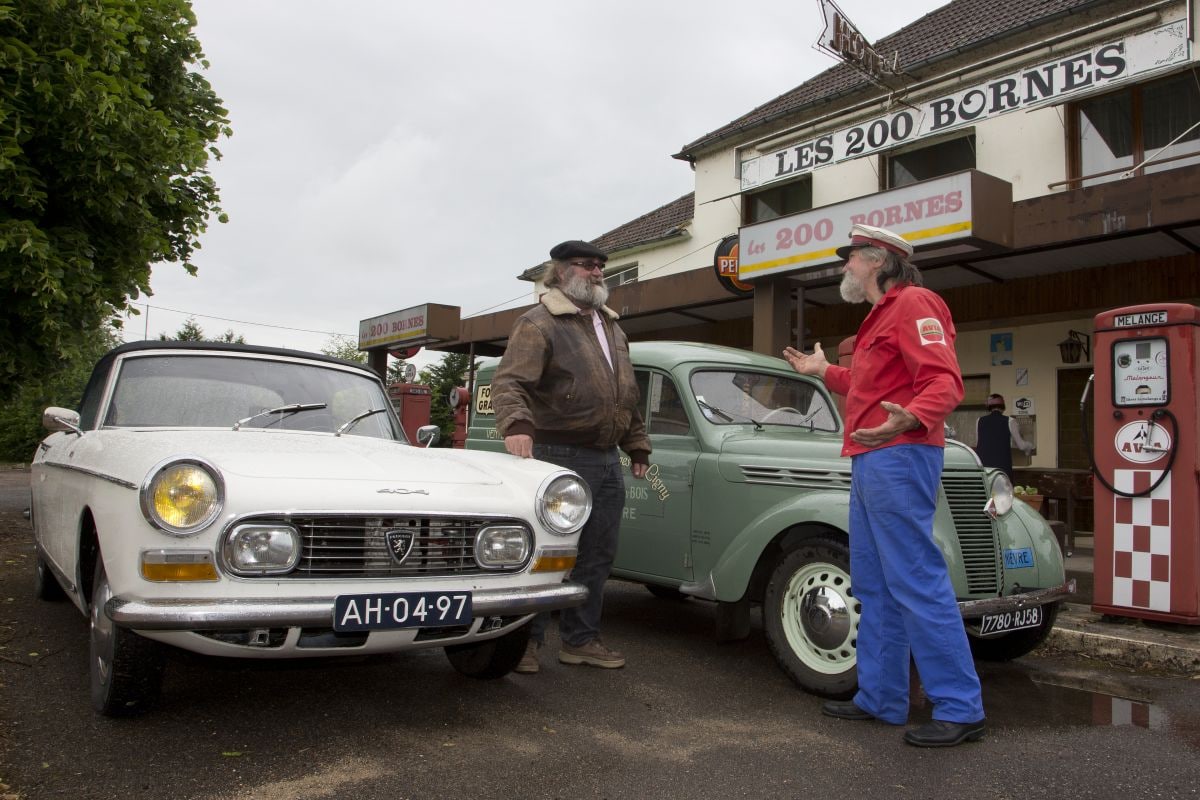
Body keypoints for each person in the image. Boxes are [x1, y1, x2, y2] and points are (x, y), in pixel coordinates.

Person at [782, 223, 986, 748]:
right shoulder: (878, 316)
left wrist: (910, 418)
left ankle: (961, 708)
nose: (844, 266)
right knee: (874, 585)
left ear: (876, 260)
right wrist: (823, 370)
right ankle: (881, 697)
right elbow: (867, 385)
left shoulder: (916, 301)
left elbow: (944, 381)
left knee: (916, 580)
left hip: (901, 454)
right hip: (875, 458)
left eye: (850, 258)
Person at [491, 239, 651, 674]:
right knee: (549, 554)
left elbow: (626, 393)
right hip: (555, 454)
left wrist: (636, 443)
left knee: (598, 554)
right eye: (587, 265)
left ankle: (580, 640)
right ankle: (525, 642)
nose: (598, 272)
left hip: (603, 458)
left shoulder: (612, 328)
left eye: (601, 265)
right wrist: (518, 427)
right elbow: (510, 383)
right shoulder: (538, 321)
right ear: (560, 271)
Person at [975, 393, 1034, 483]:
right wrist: (1030, 446)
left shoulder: (979, 421)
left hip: (984, 468)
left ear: (989, 406)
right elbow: (1021, 446)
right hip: (1002, 468)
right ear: (1003, 406)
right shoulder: (1010, 421)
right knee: (1003, 495)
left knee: (986, 495)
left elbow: (978, 443)